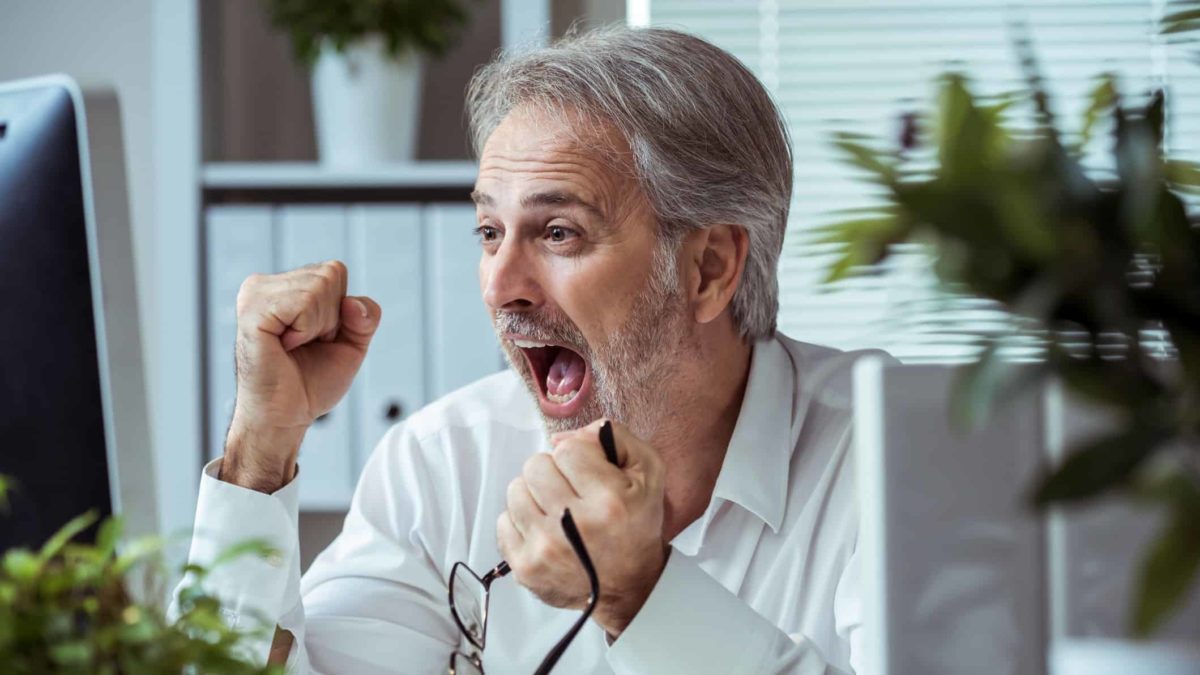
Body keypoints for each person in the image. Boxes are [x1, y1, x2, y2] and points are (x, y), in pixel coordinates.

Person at [182, 25, 880, 674]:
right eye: (490, 232)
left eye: (558, 233)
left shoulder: (891, 463)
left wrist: (641, 595)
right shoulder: (442, 464)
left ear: (709, 269)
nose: (499, 286)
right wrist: (258, 456)